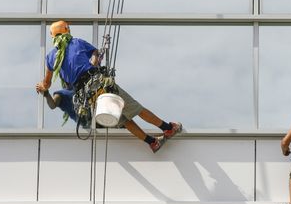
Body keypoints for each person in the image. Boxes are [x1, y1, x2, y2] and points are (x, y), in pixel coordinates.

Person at [36, 20, 182, 153]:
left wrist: (42, 87)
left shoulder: (50, 57)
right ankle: (168, 129)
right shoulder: (76, 42)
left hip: (88, 96)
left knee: (124, 121)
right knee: (135, 108)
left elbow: (47, 83)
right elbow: (95, 53)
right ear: (67, 31)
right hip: (99, 84)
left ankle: (152, 143)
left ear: (53, 36)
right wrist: (94, 63)